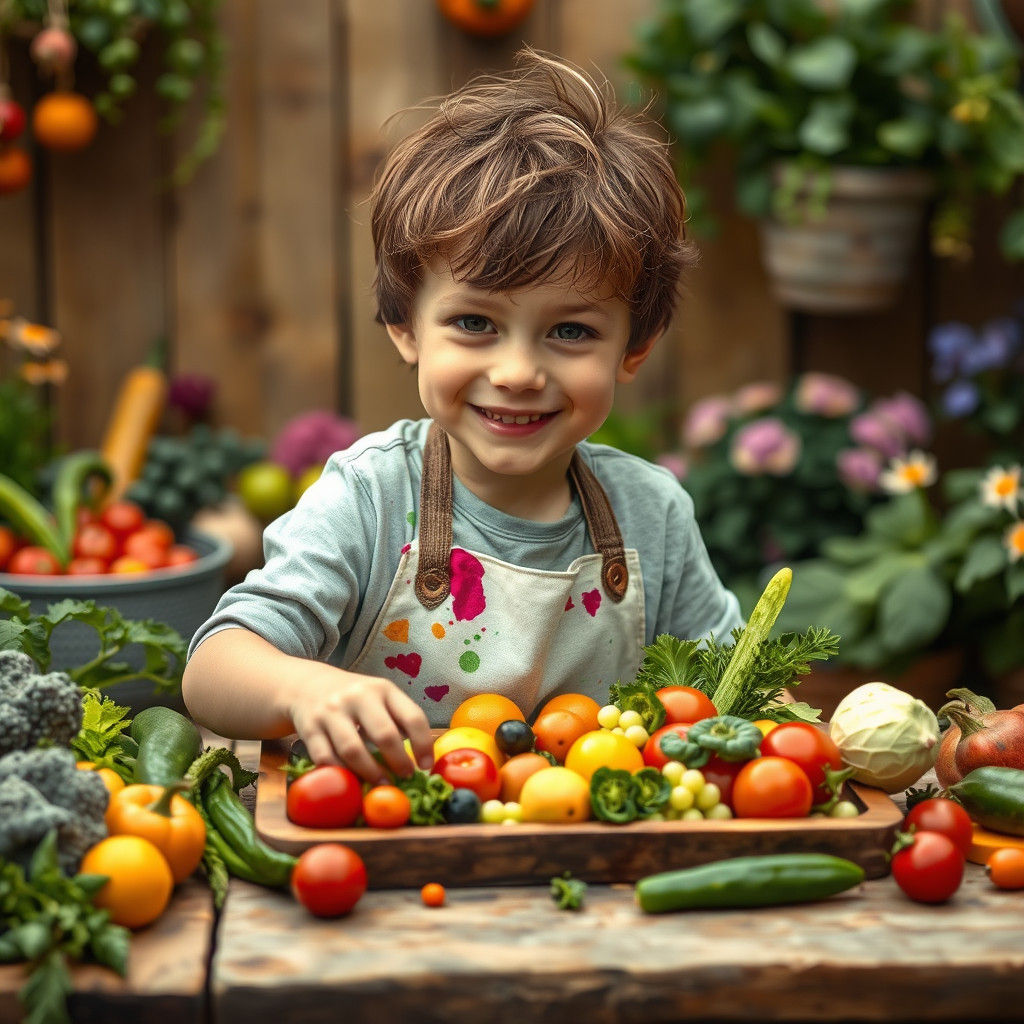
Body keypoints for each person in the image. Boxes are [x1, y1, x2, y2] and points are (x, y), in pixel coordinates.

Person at [182, 48, 743, 784]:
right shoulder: (370, 499)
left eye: (571, 332)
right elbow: (212, 671)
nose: (516, 373)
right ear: (405, 327)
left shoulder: (652, 515)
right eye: (475, 323)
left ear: (634, 348)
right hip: (398, 863)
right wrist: (304, 687)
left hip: (602, 861)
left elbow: (739, 699)